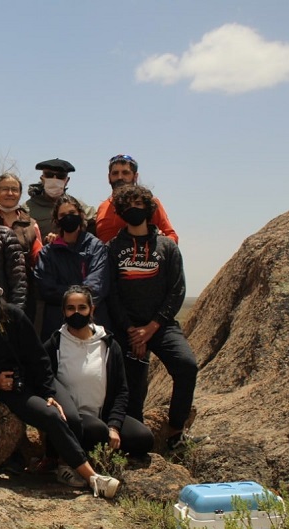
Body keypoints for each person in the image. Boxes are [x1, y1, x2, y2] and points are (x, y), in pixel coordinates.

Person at [0, 265, 120, 498]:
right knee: (51, 416)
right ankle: (93, 477)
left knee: (70, 416)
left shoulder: (13, 317)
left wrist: (49, 391)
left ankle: (63, 466)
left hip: (38, 379)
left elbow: (38, 356)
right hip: (11, 389)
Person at [106, 184, 200, 451]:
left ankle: (175, 430)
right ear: (120, 211)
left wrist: (152, 327)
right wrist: (131, 329)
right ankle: (133, 441)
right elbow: (111, 293)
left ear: (149, 208)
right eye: (127, 205)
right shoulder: (113, 248)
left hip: (161, 325)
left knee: (186, 366)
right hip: (127, 328)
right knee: (132, 386)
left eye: (139, 204)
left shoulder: (167, 247)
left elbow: (177, 290)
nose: (133, 209)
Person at [42, 286, 154, 456]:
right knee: (96, 431)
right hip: (75, 418)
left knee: (143, 438)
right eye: (71, 308)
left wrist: (114, 426)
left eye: (82, 308)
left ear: (91, 309)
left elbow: (121, 390)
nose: (76, 313)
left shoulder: (108, 344)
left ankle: (103, 450)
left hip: (105, 415)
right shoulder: (55, 345)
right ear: (63, 312)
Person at [35, 195, 111, 342]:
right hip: (57, 323)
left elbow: (97, 284)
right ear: (56, 220)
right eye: (63, 215)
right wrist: (76, 298)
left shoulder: (96, 247)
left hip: (93, 320)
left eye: (72, 214)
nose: (68, 218)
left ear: (81, 216)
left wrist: (77, 304)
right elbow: (46, 287)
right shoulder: (47, 253)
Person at [0, 173, 42, 322]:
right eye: (5, 189)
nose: (10, 193)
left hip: (24, 291)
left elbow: (37, 257)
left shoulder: (31, 224)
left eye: (14, 189)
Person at [95, 154, 178, 244]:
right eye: (115, 173)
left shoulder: (149, 203)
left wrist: (159, 245)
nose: (120, 177)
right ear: (109, 177)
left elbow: (172, 237)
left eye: (125, 173)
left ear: (135, 176)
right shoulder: (102, 207)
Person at [25, 158, 96, 242]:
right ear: (42, 178)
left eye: (60, 176)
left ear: (67, 180)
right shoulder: (26, 210)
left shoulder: (82, 208)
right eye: (49, 175)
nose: (54, 179)